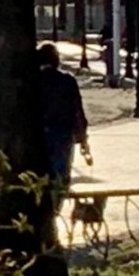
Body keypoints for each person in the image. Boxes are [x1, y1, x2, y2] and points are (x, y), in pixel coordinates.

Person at [38, 42, 88, 203]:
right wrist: (83, 137)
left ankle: (44, 205)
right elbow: (77, 110)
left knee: (41, 173)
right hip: (63, 133)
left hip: (38, 133)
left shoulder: (34, 81)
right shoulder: (67, 81)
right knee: (61, 173)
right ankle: (55, 206)